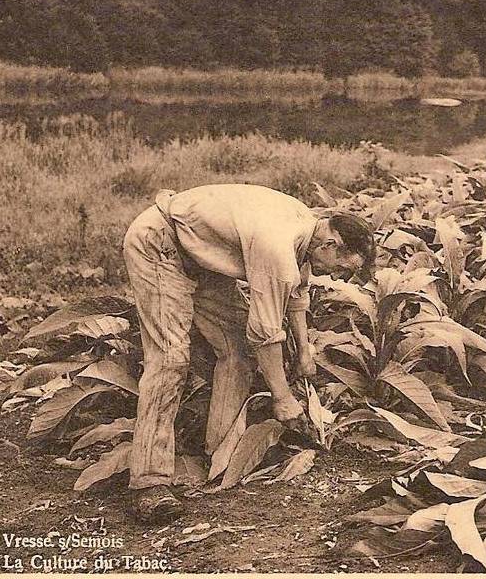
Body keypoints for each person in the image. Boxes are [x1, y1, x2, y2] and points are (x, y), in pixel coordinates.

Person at [121, 184, 376, 523]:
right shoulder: (278, 245)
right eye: (343, 269)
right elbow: (266, 333)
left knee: (236, 348)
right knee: (170, 358)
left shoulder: (309, 229)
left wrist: (304, 352)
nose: (339, 277)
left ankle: (220, 453)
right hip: (160, 244)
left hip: (201, 257)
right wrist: (283, 399)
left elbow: (297, 290)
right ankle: (149, 483)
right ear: (330, 245)